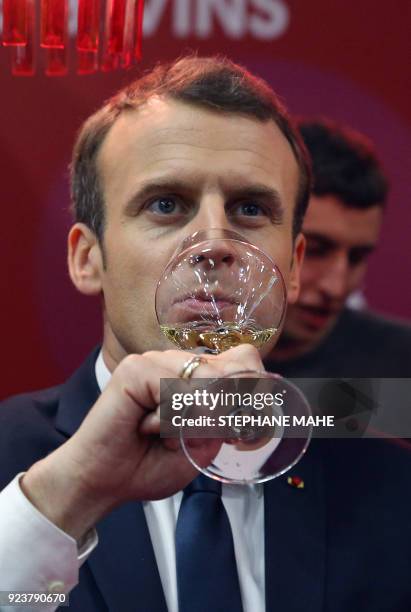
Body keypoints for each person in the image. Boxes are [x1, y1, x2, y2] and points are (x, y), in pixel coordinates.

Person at [0, 58, 410, 612]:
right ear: (87, 258)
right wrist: (65, 498)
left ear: (292, 266)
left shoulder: (390, 490)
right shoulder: (15, 459)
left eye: (249, 208)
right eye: (165, 205)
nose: (215, 241)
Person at [267, 118, 411, 377]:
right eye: (315, 250)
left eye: (356, 257)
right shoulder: (182, 352)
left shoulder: (402, 363)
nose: (336, 286)